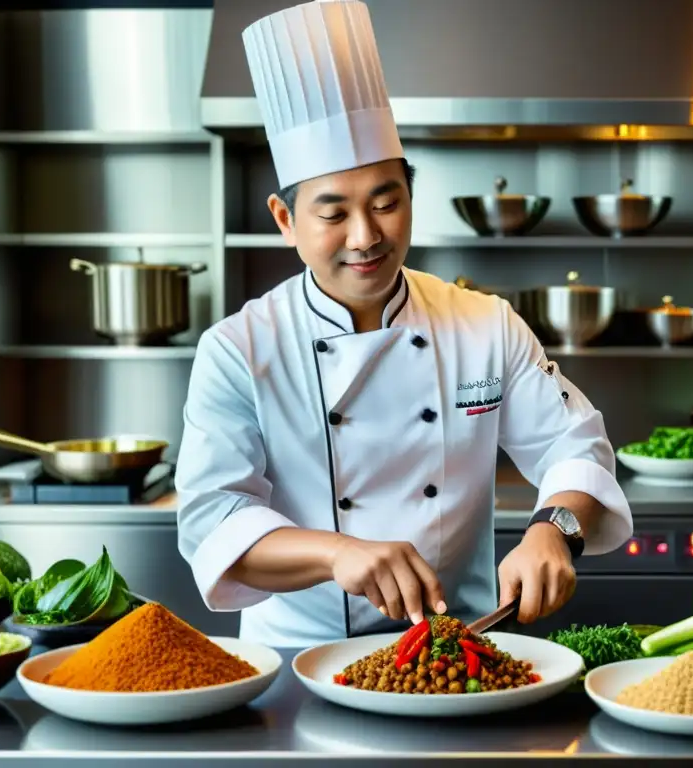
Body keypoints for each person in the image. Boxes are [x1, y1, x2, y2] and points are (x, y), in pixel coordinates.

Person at [175, 0, 633, 649]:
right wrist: (337, 554)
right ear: (285, 220)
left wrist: (551, 530)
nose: (366, 237)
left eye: (386, 203)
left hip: (465, 649)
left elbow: (575, 447)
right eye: (333, 214)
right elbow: (214, 525)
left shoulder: (484, 325)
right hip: (295, 661)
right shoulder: (238, 349)